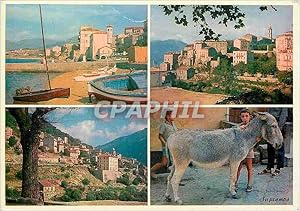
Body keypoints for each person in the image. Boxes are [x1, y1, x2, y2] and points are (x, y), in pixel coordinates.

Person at [258, 108, 288, 177]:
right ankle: (269, 168)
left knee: (280, 150)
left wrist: (277, 130)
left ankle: (278, 168)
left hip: (278, 129)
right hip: (270, 129)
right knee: (270, 149)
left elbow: (283, 116)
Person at [151, 110, 178, 179]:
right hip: (166, 147)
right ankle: (150, 171)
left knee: (174, 162)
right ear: (168, 116)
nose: (175, 116)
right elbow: (160, 136)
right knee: (164, 163)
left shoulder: (173, 124)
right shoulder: (163, 125)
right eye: (173, 115)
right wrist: (165, 144)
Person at [235, 109, 256, 192]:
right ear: (240, 117)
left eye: (246, 116)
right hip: (240, 151)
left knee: (249, 167)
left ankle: (249, 184)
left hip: (249, 150)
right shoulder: (238, 127)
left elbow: (255, 138)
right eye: (243, 116)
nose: (245, 118)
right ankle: (235, 183)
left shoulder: (252, 127)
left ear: (250, 117)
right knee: (238, 168)